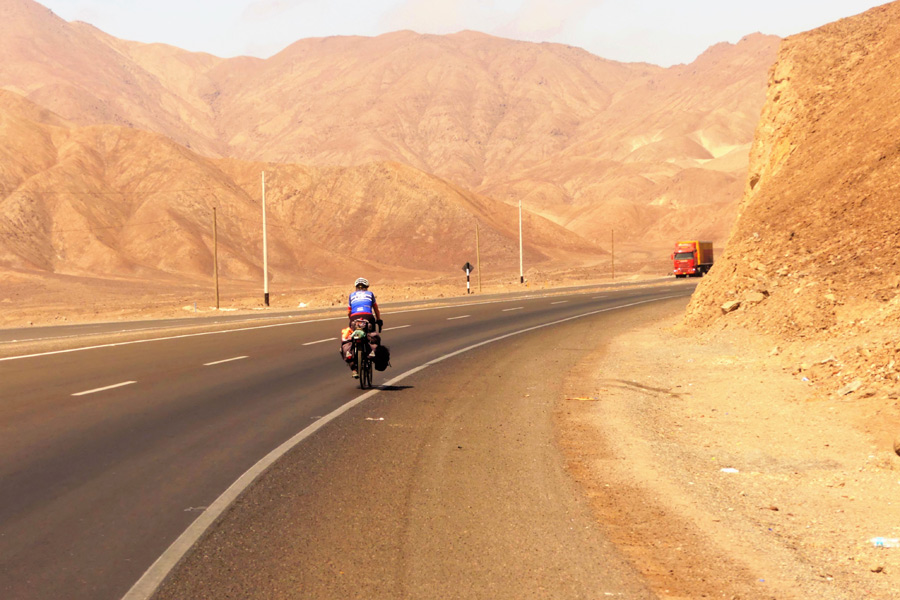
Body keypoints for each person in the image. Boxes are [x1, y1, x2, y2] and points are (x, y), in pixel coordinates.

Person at [341, 277, 383, 378]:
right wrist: (379, 320)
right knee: (371, 335)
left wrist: (351, 321)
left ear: (356, 287)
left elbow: (348, 312)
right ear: (366, 288)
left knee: (350, 339)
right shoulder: (370, 294)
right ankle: (372, 352)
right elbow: (376, 310)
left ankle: (354, 368)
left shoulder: (351, 295)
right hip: (368, 317)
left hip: (354, 319)